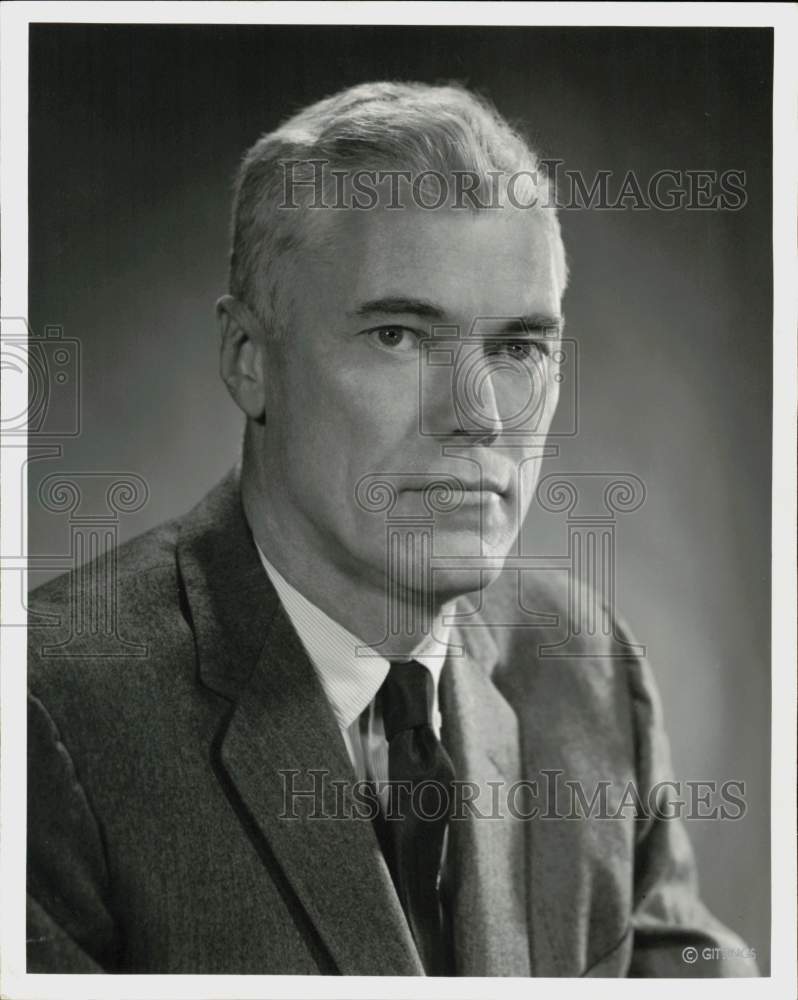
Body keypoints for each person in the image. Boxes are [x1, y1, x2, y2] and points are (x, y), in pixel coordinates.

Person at [27, 81, 757, 977]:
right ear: (249, 361)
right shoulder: (44, 719)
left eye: (518, 347)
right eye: (401, 337)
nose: (480, 415)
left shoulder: (585, 680)